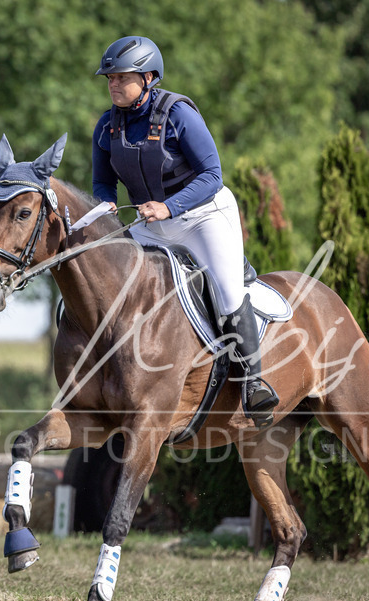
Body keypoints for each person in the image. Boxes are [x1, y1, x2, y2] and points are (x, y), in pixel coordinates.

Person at [90, 35, 279, 425]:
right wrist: (106, 201)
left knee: (227, 292)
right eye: (109, 78)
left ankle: (253, 383)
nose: (112, 84)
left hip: (203, 215)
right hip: (150, 222)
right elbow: (102, 181)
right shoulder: (107, 126)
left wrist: (169, 206)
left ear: (148, 77)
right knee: (115, 286)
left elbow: (213, 174)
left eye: (120, 77)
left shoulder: (178, 114)